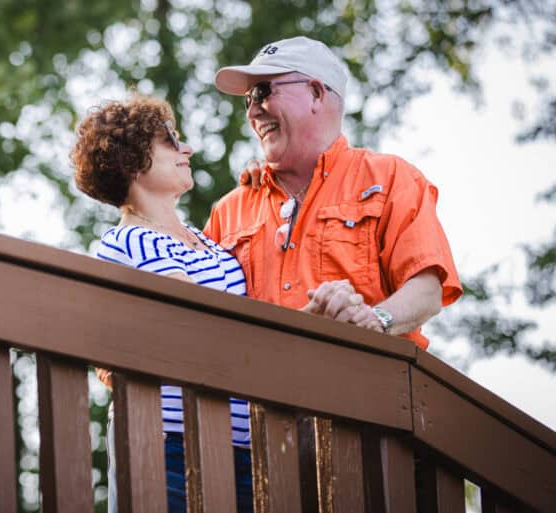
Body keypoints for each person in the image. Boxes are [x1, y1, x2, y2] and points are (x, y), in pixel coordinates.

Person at [205, 36, 463, 348]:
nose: (252, 113)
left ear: (315, 93)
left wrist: (375, 319)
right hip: (258, 394)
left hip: (367, 391)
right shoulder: (229, 210)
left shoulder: (392, 178)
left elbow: (427, 288)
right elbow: (203, 315)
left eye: (262, 92)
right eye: (248, 100)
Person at [71, 96, 253, 513]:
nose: (185, 149)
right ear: (131, 160)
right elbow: (192, 318)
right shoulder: (128, 240)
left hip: (239, 444)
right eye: (171, 140)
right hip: (173, 445)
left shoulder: (207, 243)